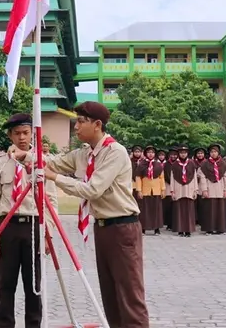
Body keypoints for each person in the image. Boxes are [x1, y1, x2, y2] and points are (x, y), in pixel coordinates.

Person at [44, 101, 148, 328]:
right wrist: (27, 156)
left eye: (81, 122)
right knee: (110, 295)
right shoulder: (84, 154)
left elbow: (92, 189)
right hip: (102, 228)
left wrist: (55, 178)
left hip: (123, 228)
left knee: (129, 294)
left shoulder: (115, 152)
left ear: (98, 125)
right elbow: (53, 162)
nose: (76, 127)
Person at [0, 113, 58, 328]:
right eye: (17, 133)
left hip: (34, 227)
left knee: (33, 285)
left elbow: (51, 201)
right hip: (7, 227)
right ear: (10, 136)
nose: (22, 138)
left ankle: (33, 325)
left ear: (33, 135)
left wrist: (48, 233)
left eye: (26, 133)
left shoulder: (42, 163)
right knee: (6, 283)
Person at [198, 144, 226, 235]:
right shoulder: (205, 164)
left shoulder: (223, 163)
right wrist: (204, 190)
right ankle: (209, 229)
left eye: (215, 151)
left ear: (218, 152)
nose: (213, 153)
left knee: (220, 209)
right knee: (209, 209)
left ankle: (220, 228)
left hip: (220, 188)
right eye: (212, 152)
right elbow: (202, 178)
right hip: (209, 188)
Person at [134, 146, 165, 235]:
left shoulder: (158, 165)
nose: (150, 154)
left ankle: (156, 228)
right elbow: (138, 178)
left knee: (156, 210)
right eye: (149, 152)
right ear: (146, 154)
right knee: (144, 210)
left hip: (156, 190)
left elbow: (161, 177)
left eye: (152, 152)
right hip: (145, 190)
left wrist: (163, 189)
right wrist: (139, 190)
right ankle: (143, 228)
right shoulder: (141, 164)